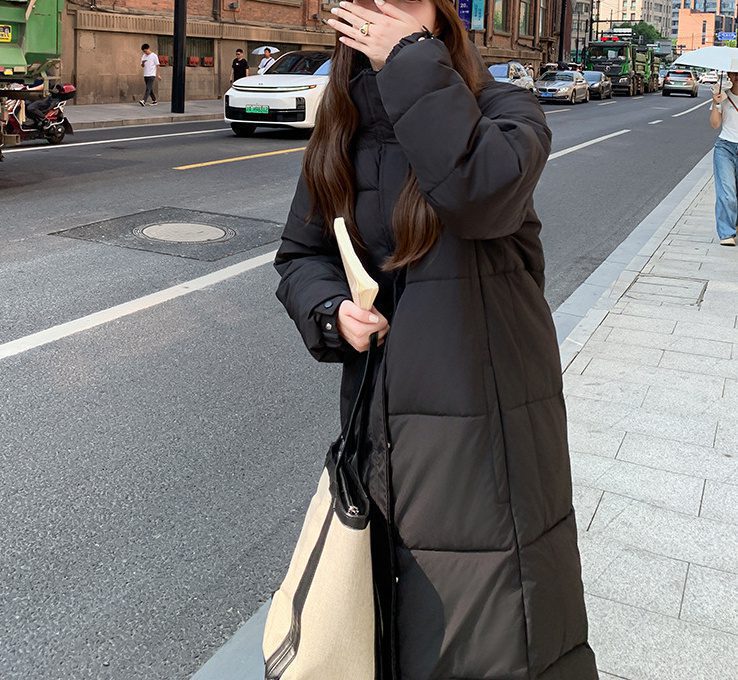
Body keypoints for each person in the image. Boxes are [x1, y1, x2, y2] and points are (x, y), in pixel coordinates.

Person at [274, 0, 598, 677]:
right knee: (391, 636)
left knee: (496, 638)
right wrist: (332, 312)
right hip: (382, 436)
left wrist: (410, 59)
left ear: (440, 13)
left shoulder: (505, 110)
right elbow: (301, 255)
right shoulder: (340, 134)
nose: (382, 10)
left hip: (488, 437)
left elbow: (480, 196)